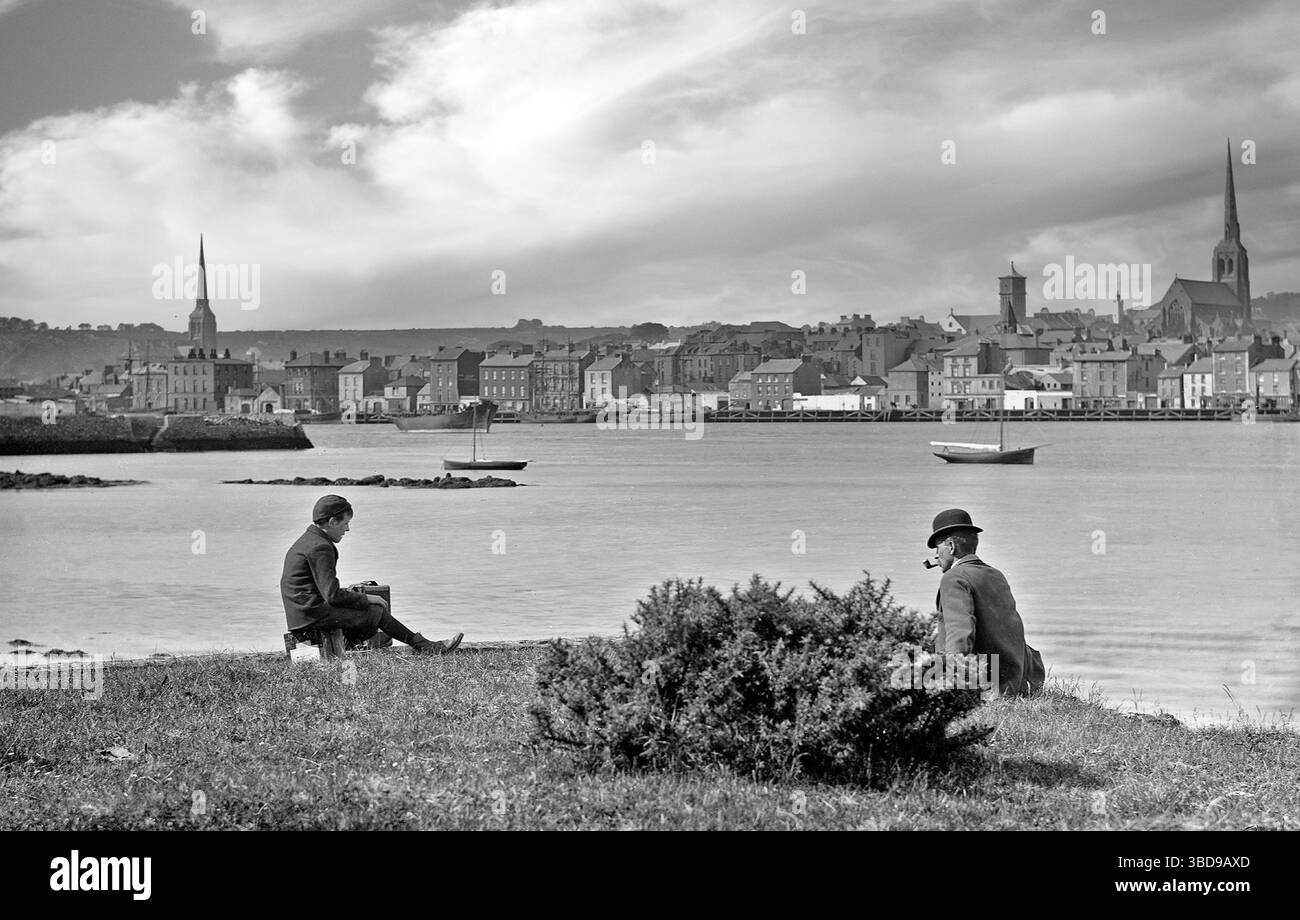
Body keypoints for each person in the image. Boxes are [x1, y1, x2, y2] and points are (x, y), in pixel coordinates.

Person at [281, 495, 463, 655]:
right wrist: (367, 598)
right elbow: (332, 595)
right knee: (375, 613)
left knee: (370, 616)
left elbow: (326, 592)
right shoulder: (320, 547)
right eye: (345, 523)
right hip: (310, 617)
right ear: (332, 522)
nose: (347, 529)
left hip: (302, 615)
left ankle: (341, 647)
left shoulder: (309, 540)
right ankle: (425, 647)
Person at [927, 508, 1045, 696]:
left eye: (937, 547)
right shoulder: (996, 574)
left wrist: (947, 690)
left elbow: (960, 635)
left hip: (988, 688)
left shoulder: (954, 578)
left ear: (950, 546)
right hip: (1015, 681)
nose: (935, 555)